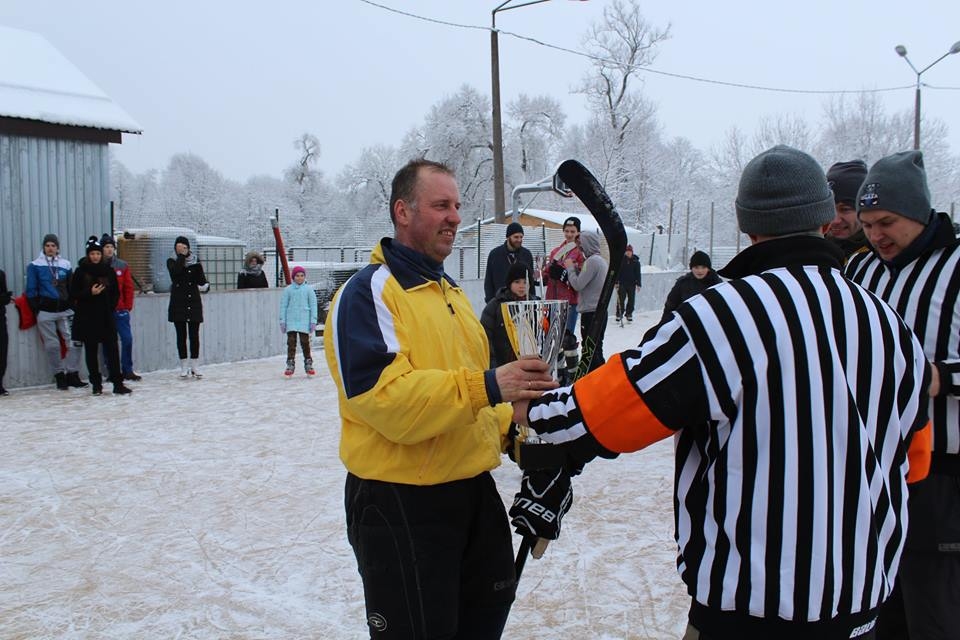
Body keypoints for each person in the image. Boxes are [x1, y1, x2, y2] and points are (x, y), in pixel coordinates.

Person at [511, 146, 933, 639]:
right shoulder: (890, 324)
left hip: (750, 611)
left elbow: (621, 405)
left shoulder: (723, 315)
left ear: (748, 225)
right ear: (824, 218)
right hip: (860, 606)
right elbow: (915, 462)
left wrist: (537, 412)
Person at [323, 158, 556, 640]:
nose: (454, 216)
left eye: (456, 205)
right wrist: (492, 385)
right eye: (440, 205)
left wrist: (529, 445)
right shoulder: (369, 293)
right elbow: (384, 400)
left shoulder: (451, 294)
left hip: (471, 493)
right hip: (401, 504)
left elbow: (476, 407)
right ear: (403, 211)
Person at [846, 150, 960, 640]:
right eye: (867, 224)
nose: (875, 235)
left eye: (886, 222)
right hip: (874, 468)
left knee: (934, 612)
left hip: (944, 474)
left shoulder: (956, 269)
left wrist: (938, 378)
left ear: (918, 211)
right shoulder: (861, 271)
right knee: (876, 608)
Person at [70, 237, 132, 396]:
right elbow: (73, 294)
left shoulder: (108, 270)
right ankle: (96, 384)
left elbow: (115, 293)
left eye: (98, 253)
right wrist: (89, 293)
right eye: (93, 254)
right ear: (88, 255)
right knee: (91, 352)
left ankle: (118, 383)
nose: (96, 256)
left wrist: (109, 307)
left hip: (105, 317)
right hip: (87, 318)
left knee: (112, 349)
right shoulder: (81, 272)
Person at [25, 233, 86, 390]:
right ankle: (59, 375)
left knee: (74, 341)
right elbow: (31, 289)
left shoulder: (65, 264)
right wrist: (36, 309)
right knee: (52, 345)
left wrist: (72, 305)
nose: (50, 248)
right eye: (47, 245)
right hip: (45, 312)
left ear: (57, 248)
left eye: (53, 245)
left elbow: (71, 287)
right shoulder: (35, 265)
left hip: (65, 310)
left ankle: (72, 373)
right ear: (43, 248)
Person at [564, 229, 608, 372]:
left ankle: (597, 375)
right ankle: (600, 374)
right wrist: (578, 270)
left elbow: (578, 284)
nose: (580, 249)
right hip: (599, 311)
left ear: (587, 244)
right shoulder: (600, 261)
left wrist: (570, 269)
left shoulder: (591, 261)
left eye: (581, 245)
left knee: (590, 349)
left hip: (591, 312)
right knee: (596, 346)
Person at [167, 235, 209, 379]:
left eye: (184, 246)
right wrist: (181, 257)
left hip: (193, 302)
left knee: (194, 335)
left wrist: (205, 285)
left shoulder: (195, 261)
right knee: (181, 335)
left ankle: (195, 365)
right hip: (178, 302)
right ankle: (183, 365)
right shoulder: (172, 260)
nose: (182, 249)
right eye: (178, 246)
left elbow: (201, 280)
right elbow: (175, 274)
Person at [100, 233, 140, 382]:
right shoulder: (99, 266)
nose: (109, 250)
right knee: (107, 342)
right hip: (105, 311)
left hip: (120, 309)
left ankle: (127, 369)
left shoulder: (122, 265)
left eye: (111, 247)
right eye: (106, 247)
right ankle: (111, 371)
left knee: (127, 339)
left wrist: (127, 305)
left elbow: (128, 287)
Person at [481, 261, 532, 367]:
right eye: (517, 282)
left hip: (529, 364)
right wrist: (492, 364)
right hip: (502, 364)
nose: (522, 286)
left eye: (525, 282)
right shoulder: (495, 306)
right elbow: (485, 337)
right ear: (509, 283)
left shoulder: (535, 305)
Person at [543, 216, 584, 336]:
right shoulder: (555, 251)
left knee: (566, 337)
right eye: (566, 231)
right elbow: (547, 272)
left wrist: (565, 275)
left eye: (572, 231)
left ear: (578, 232)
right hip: (552, 299)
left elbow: (582, 279)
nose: (569, 234)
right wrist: (542, 276)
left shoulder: (581, 253)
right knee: (550, 335)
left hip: (569, 301)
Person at [660, 250, 723, 323]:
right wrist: (663, 325)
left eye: (703, 267)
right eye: (696, 267)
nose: (700, 271)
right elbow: (670, 306)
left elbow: (722, 309)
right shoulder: (683, 283)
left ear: (708, 268)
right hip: (686, 324)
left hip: (709, 325)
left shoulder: (717, 284)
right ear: (691, 268)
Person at [826, 159, 869, 262]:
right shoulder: (814, 252)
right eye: (829, 208)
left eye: (845, 209)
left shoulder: (881, 257)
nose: (835, 220)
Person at [279, 265, 317, 377]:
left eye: (302, 276)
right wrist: (283, 321)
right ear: (293, 277)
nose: (299, 278)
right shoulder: (288, 290)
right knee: (291, 343)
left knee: (305, 343)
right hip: (291, 321)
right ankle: (290, 364)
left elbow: (313, 305)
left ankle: (308, 363)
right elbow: (283, 306)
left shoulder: (309, 290)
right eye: (297, 276)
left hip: (304, 321)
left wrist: (313, 321)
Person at [484, 221, 536, 303]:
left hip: (522, 303)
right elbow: (489, 281)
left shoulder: (526, 254)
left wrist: (532, 301)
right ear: (508, 237)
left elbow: (530, 281)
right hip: (500, 301)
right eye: (516, 237)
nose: (519, 240)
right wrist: (490, 301)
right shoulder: (495, 254)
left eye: (521, 237)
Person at [615, 244, 642, 323]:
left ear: (632, 252)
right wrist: (616, 282)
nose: (628, 253)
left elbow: (638, 274)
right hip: (622, 283)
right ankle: (619, 314)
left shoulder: (636, 262)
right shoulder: (621, 261)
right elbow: (618, 272)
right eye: (627, 251)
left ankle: (629, 314)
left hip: (632, 284)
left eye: (629, 251)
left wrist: (639, 284)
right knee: (621, 299)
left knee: (631, 300)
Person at [0, 268, 10, 396]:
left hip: (0, 318)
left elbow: (5, 297)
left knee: (2, 351)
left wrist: (5, 297)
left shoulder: (1, 274)